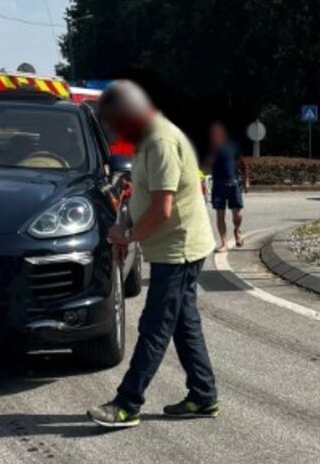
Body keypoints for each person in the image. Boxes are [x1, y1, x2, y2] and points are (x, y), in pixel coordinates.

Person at [87, 81, 219, 428]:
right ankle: (203, 396)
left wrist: (127, 236)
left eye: (115, 123)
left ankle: (127, 404)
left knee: (155, 326)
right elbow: (144, 195)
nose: (114, 131)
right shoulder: (146, 140)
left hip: (180, 250)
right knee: (184, 325)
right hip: (170, 247)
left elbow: (162, 208)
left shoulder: (160, 141)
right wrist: (127, 217)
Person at [207, 121, 249, 252]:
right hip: (218, 185)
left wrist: (246, 181)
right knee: (220, 216)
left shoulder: (233, 146)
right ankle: (224, 243)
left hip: (233, 184)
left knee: (237, 215)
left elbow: (243, 164)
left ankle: (237, 231)